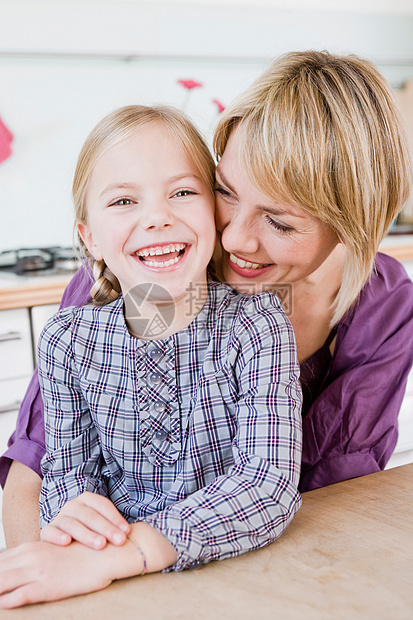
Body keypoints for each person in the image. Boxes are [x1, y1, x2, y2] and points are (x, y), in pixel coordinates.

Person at [2, 49, 413, 544]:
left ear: (351, 224)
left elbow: (336, 496)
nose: (235, 238)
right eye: (225, 191)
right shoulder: (123, 284)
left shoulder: (385, 308)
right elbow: (37, 477)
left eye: (280, 221)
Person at [0, 104, 302, 608]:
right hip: (113, 583)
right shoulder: (66, 342)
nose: (158, 217)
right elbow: (67, 476)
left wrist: (129, 551)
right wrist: (76, 519)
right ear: (89, 237)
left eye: (182, 193)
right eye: (123, 201)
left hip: (239, 577)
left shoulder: (259, 326)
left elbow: (267, 485)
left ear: (214, 211)